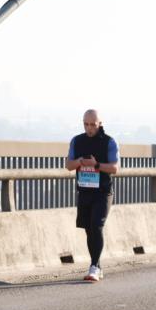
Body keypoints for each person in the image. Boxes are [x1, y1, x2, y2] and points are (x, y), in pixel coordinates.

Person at [65, 109, 119, 282]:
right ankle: (97, 265)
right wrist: (80, 162)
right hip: (85, 191)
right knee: (89, 229)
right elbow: (68, 165)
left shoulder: (109, 142)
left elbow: (114, 168)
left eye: (93, 125)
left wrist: (96, 165)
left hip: (103, 192)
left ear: (100, 124)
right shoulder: (77, 141)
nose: (89, 128)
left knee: (97, 226)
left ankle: (94, 266)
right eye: (86, 124)